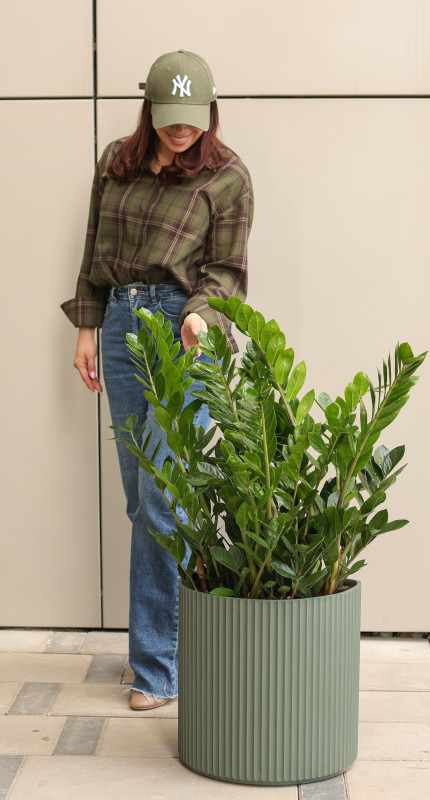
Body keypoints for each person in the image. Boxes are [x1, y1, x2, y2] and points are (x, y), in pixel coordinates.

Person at [61, 50, 253, 710]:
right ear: (149, 108)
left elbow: (226, 270)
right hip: (120, 326)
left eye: (192, 117)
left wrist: (201, 314)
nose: (181, 129)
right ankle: (177, 641)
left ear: (210, 109)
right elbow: (94, 249)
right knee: (141, 498)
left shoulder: (227, 176)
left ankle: (156, 668)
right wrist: (87, 327)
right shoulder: (116, 161)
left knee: (163, 498)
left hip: (182, 331)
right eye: (169, 117)